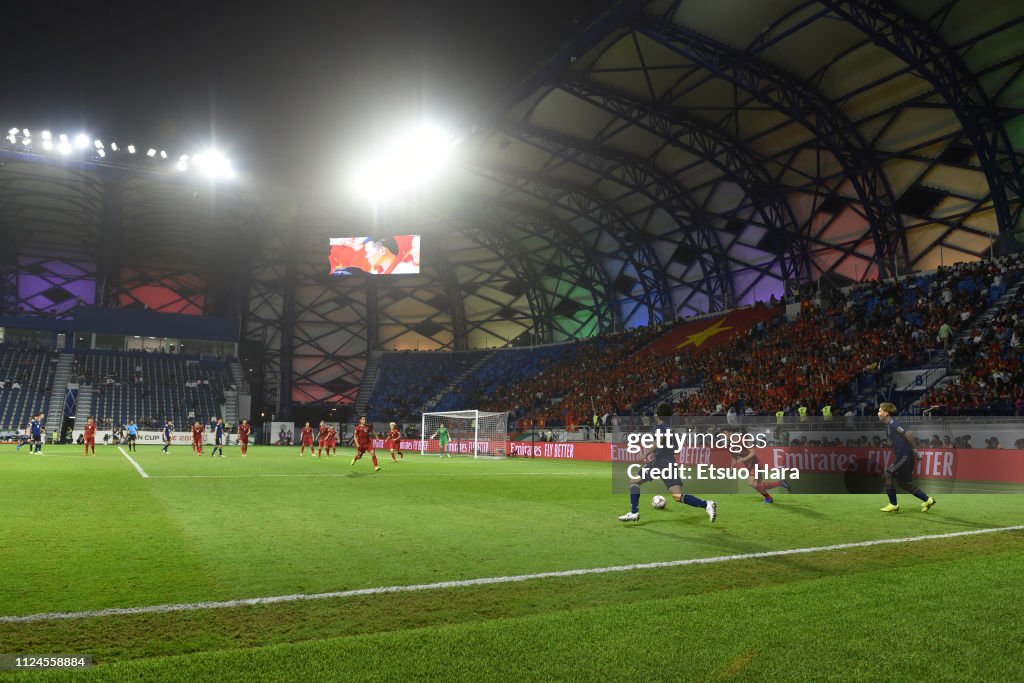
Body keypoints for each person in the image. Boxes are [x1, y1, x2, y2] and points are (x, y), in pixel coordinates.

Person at [619, 403, 716, 524]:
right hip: (670, 463)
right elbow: (677, 449)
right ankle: (707, 504)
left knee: (634, 482)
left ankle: (634, 512)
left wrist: (646, 453)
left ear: (658, 415)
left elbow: (658, 442)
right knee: (677, 496)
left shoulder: (659, 427)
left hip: (659, 462)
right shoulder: (670, 429)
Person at [877, 403, 935, 513]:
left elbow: (908, 434)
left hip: (904, 455)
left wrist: (916, 451)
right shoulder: (887, 426)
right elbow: (896, 441)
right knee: (903, 484)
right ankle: (928, 499)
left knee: (887, 475)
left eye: (880, 411)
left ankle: (893, 504)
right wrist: (888, 444)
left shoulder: (894, 423)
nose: (878, 413)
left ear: (886, 413)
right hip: (902, 454)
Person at [722, 426, 790, 503]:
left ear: (731, 433)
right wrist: (731, 469)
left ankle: (769, 498)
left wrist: (744, 459)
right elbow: (734, 459)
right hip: (749, 466)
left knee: (751, 482)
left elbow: (753, 452)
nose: (724, 435)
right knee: (759, 485)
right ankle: (780, 483)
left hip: (756, 463)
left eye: (725, 433)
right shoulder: (729, 445)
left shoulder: (742, 440)